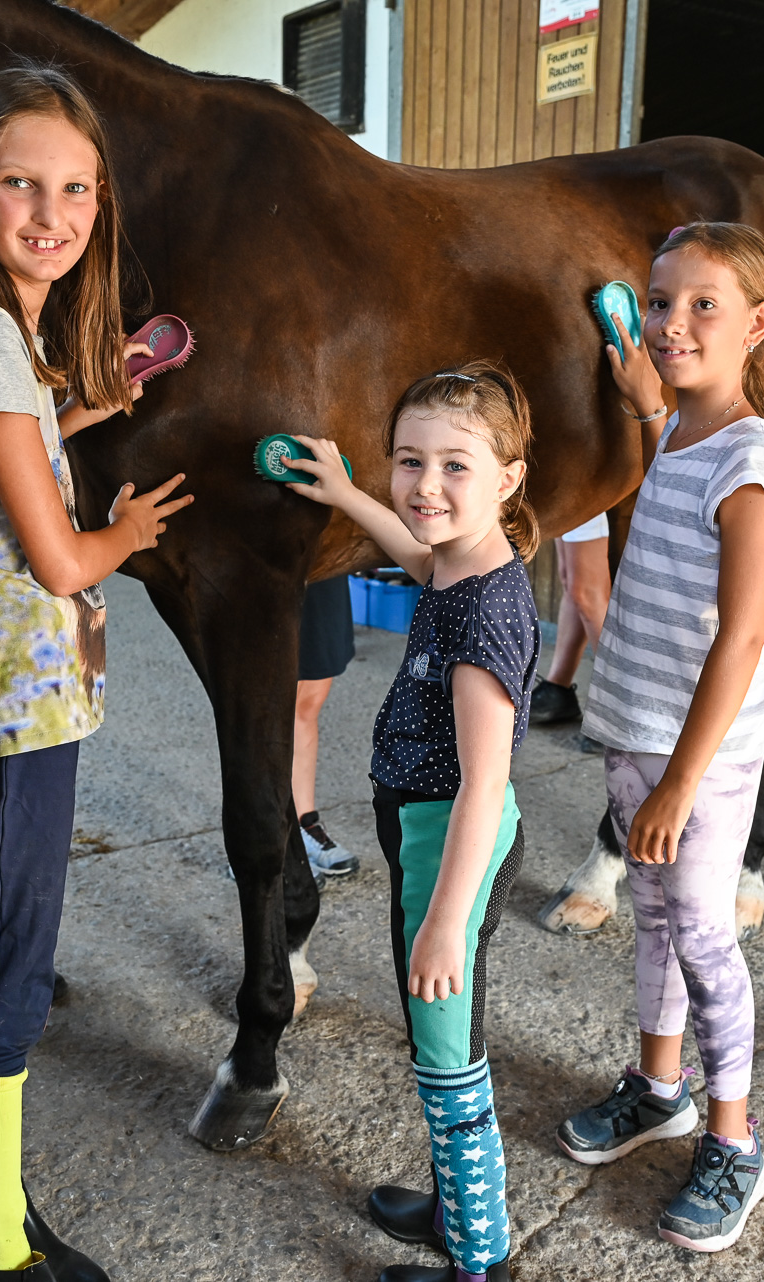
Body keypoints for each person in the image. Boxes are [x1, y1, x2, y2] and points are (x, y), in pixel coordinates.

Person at [0, 63, 193, 1280]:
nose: (52, 212)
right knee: (10, 963)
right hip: (14, 697)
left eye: (77, 189)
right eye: (21, 183)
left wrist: (82, 409)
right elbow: (60, 560)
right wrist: (127, 532)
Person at [554, 223, 764, 1253]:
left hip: (705, 754)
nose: (672, 323)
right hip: (635, 727)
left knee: (702, 931)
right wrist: (647, 398)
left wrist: (679, 784)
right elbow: (667, 424)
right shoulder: (683, 432)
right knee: (652, 918)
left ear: (759, 324)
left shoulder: (753, 456)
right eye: (660, 302)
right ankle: (659, 1089)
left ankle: (735, 1140)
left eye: (704, 305)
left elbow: (744, 636)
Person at [284, 360, 540, 1282]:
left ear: (508, 478)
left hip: (451, 847)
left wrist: (445, 922)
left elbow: (484, 787)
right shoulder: (461, 560)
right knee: (440, 1036)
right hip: (425, 832)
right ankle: (451, 1205)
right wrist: (349, 493)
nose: (426, 486)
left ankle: (480, 1259)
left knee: (447, 1055)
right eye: (408, 461)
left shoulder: (485, 617)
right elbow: (419, 552)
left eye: (455, 466)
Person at [295, 576, 360, 878]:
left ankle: (303, 824)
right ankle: (256, 838)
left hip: (322, 559)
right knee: (261, 705)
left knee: (308, 701)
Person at [529, 515, 612, 725]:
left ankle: (619, 707)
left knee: (587, 593)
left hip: (590, 499)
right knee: (570, 582)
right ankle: (559, 686)